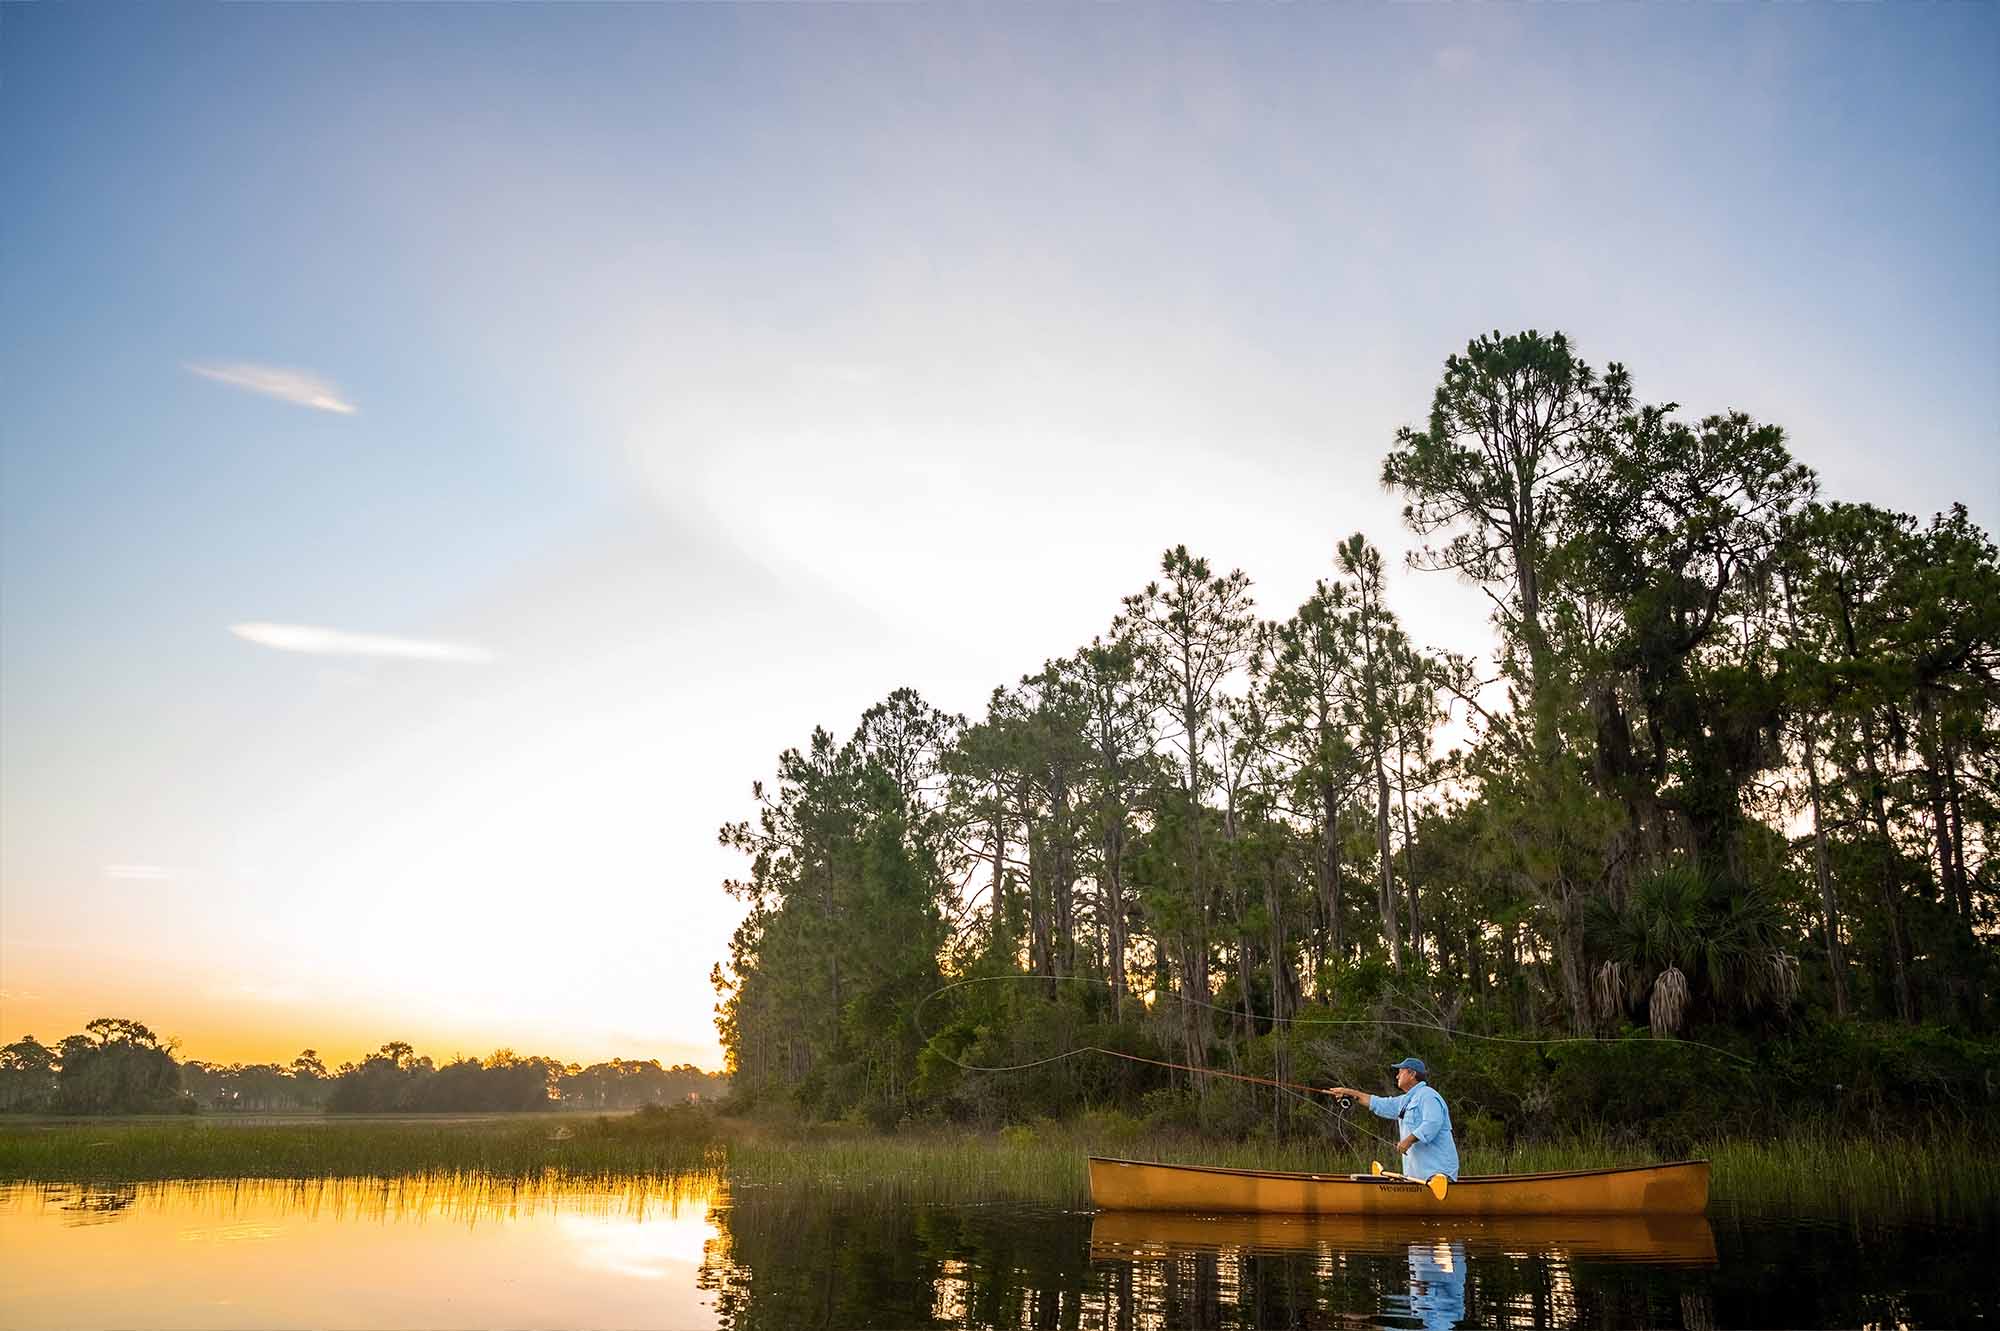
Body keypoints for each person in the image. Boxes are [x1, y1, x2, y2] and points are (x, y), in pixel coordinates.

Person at [1326, 1057, 1460, 1182]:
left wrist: (1408, 1140)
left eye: (1400, 1072)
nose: (1397, 1076)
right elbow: (1378, 1103)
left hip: (1439, 1176)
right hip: (1419, 1178)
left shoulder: (1428, 1096)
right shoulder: (1405, 1100)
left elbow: (1432, 1123)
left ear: (1412, 1074)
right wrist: (1350, 1093)